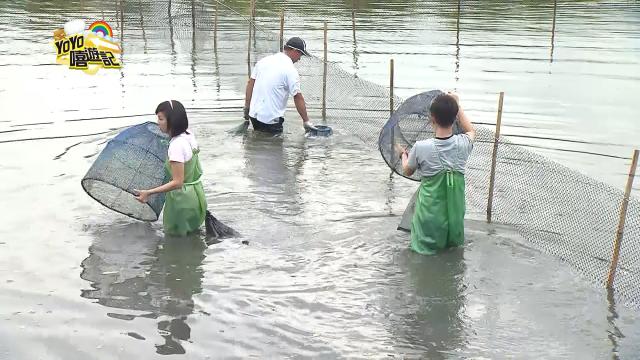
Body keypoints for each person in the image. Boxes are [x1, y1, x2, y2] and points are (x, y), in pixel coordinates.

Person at [401, 93, 476, 255]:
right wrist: (457, 104)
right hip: (454, 215)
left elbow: (407, 170)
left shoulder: (421, 147)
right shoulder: (463, 143)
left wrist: (403, 156)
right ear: (455, 118)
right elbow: (470, 129)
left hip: (428, 215)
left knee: (422, 256)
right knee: (452, 253)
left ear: (432, 118)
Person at [133, 100, 207, 236]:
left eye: (161, 119)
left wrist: (148, 192)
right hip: (196, 195)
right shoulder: (189, 135)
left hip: (181, 201)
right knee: (191, 237)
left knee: (175, 241)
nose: (158, 123)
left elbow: (178, 182)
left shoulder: (176, 145)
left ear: (172, 121)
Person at [243, 36, 316, 134]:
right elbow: (297, 96)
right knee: (275, 147)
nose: (299, 59)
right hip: (271, 119)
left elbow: (250, 84)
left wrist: (247, 108)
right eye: (300, 55)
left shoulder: (263, 61)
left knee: (259, 141)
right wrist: (306, 121)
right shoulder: (290, 70)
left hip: (254, 114)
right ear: (295, 51)